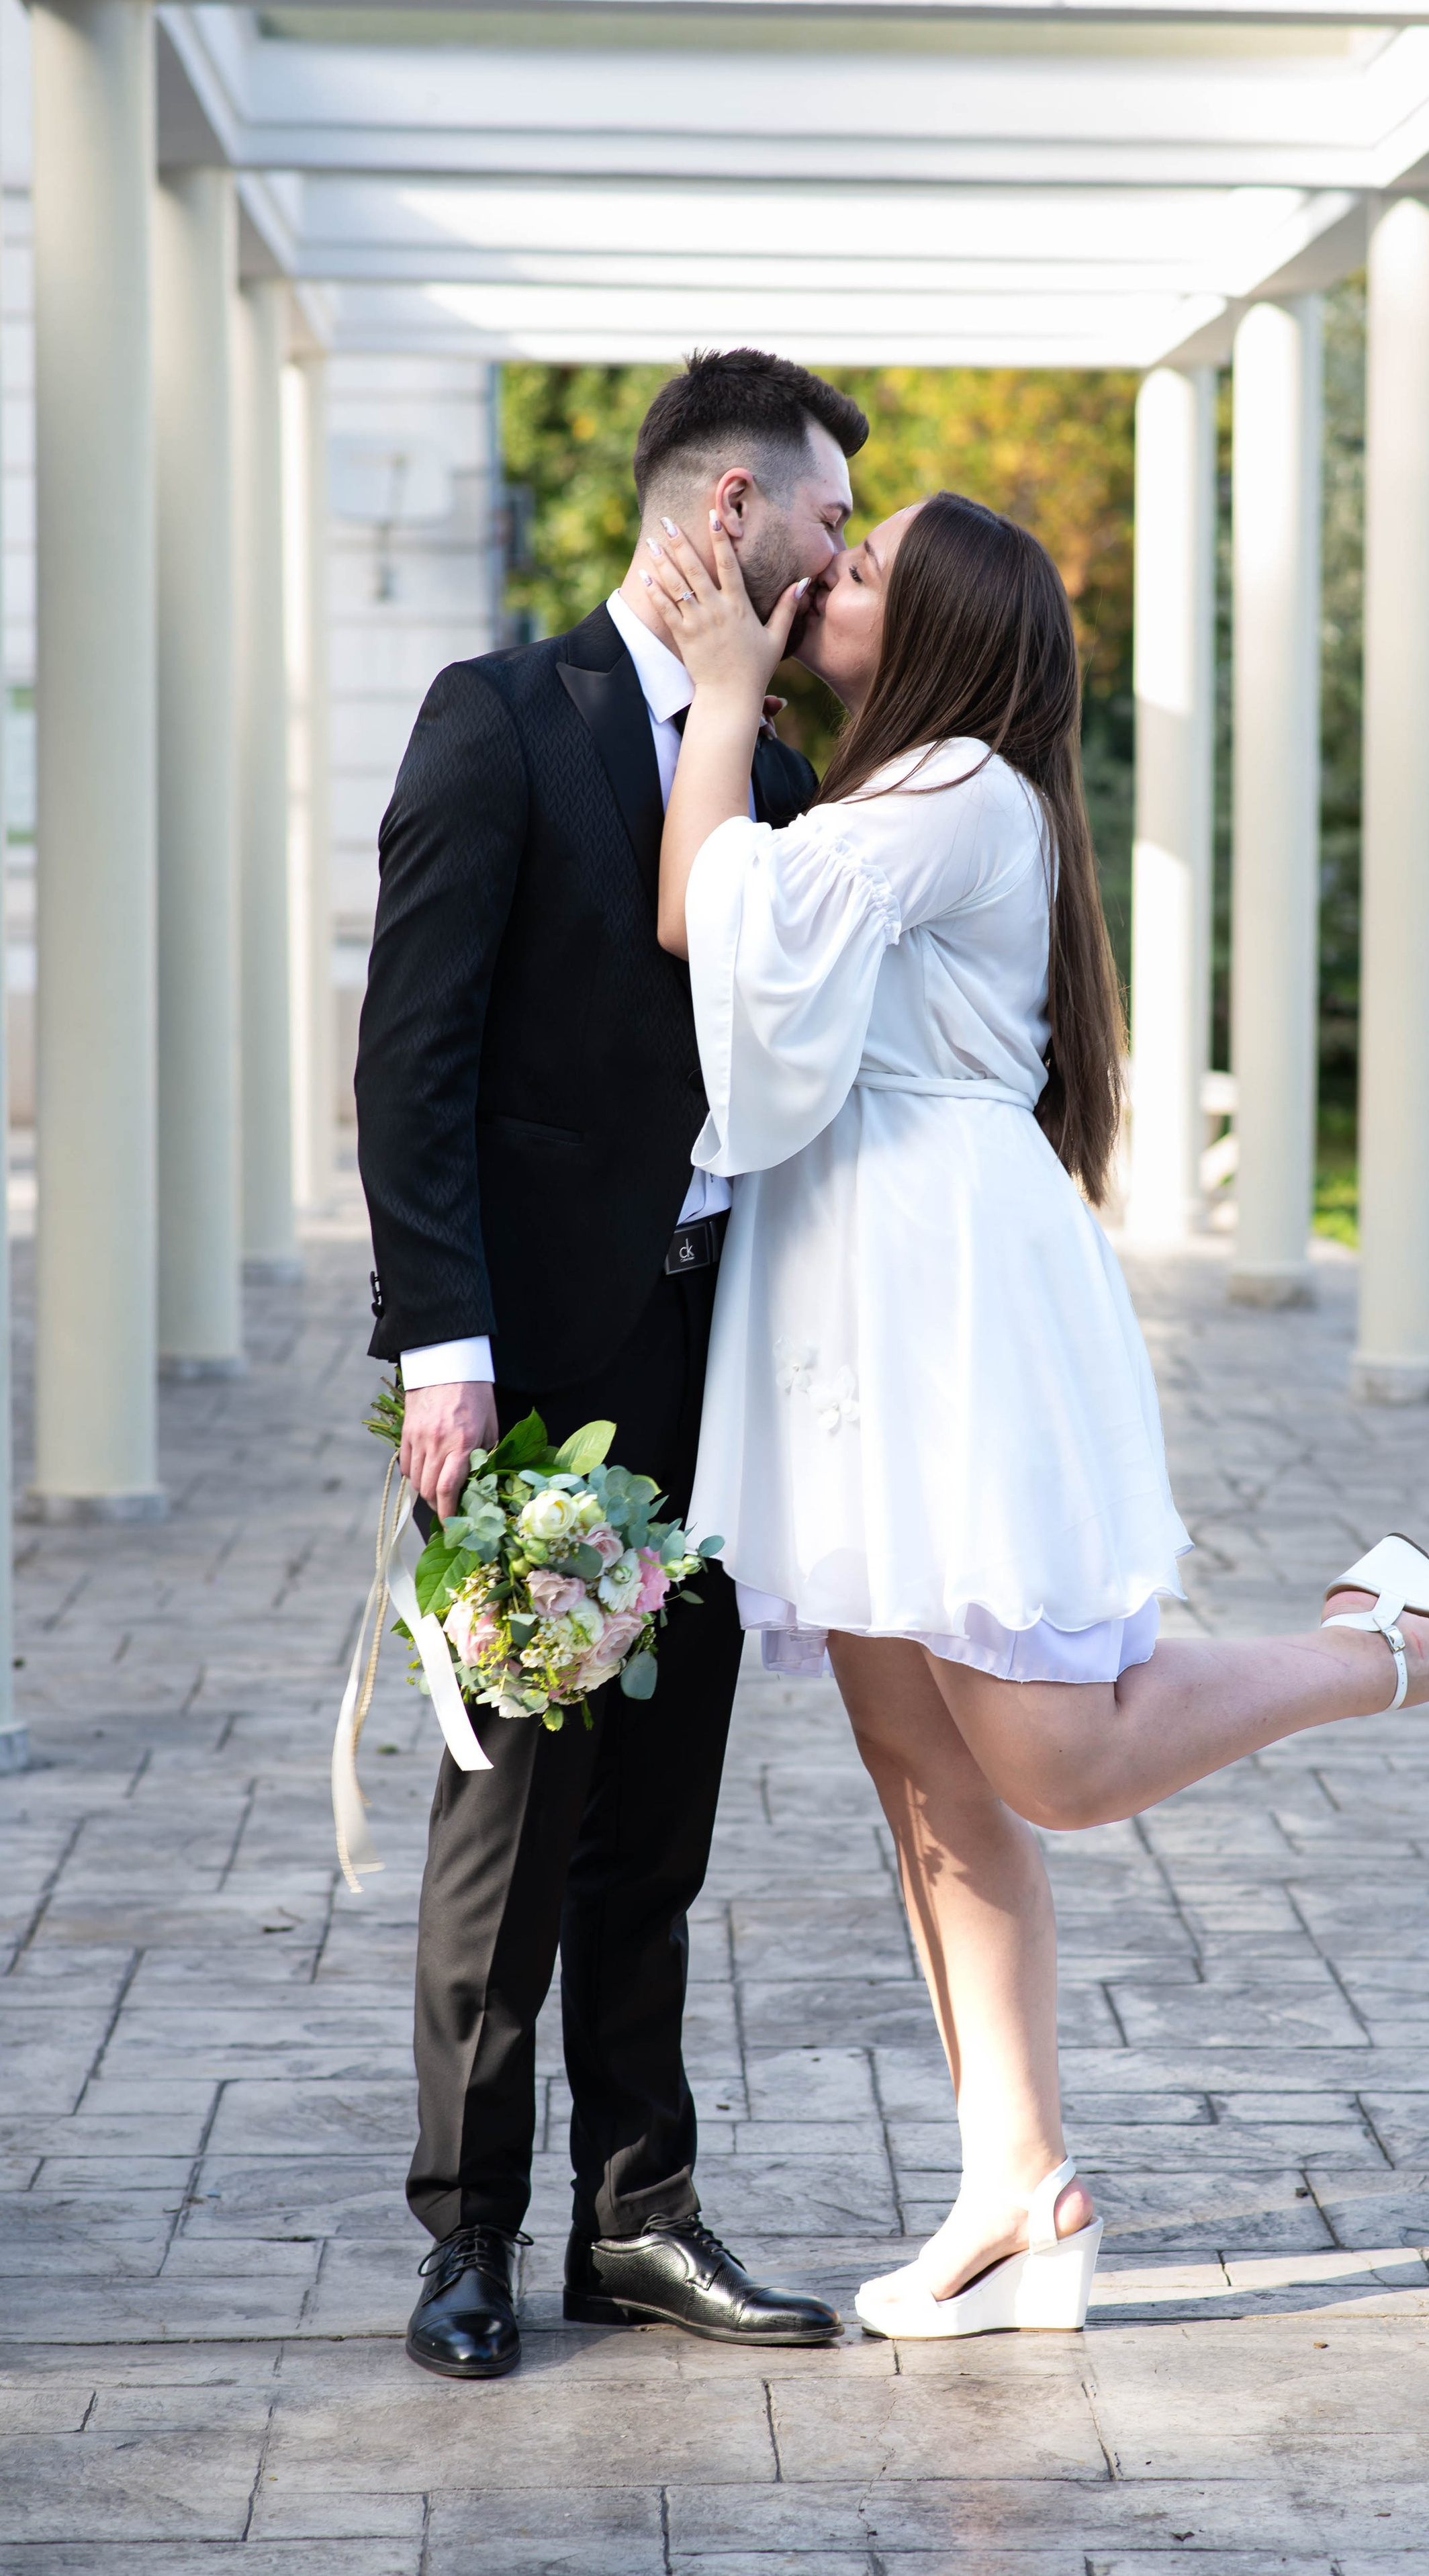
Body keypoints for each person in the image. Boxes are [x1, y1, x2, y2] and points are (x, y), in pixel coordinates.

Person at [644, 489, 1429, 2342]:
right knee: (924, 1770)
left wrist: (722, 690)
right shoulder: (922, 792)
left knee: (1052, 1753)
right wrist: (743, 688)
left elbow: (708, 915)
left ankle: (1406, 1638)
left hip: (943, 1300)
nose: (838, 573)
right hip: (861, 1297)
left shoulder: (960, 783)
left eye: (871, 563)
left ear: (950, 629)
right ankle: (1017, 2185)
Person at [354, 349, 868, 2379]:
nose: (840, 561)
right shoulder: (498, 717)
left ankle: (635, 2214)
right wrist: (442, 1354)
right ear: (731, 514)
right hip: (535, 1377)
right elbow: (413, 1066)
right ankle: (467, 2232)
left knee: (661, 1821)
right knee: (514, 1823)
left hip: (717, 1375)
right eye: (826, 519)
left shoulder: (792, 782)